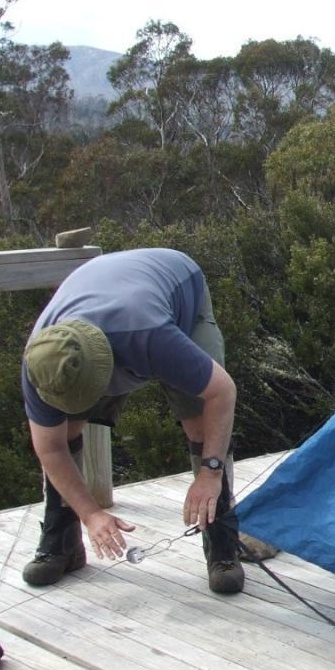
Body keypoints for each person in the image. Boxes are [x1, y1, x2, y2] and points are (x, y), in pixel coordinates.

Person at [20, 247, 245, 594]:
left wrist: (209, 473)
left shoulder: (148, 336)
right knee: (67, 431)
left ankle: (222, 547)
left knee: (198, 419)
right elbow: (49, 448)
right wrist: (91, 513)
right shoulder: (43, 363)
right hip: (108, 294)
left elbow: (222, 393)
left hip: (175, 285)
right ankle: (61, 544)